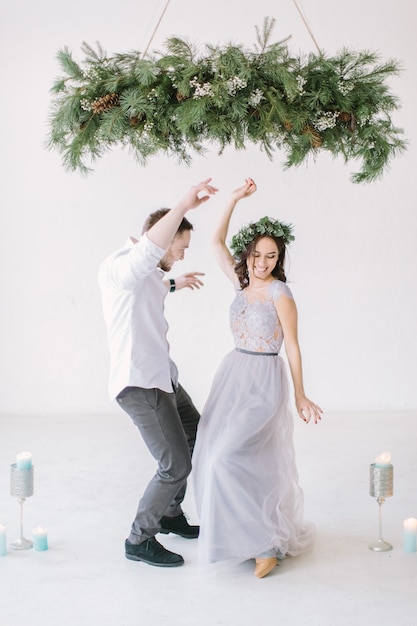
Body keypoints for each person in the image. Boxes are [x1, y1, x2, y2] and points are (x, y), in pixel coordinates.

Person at [193, 178, 322, 578]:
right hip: (233, 376)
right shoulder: (241, 282)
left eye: (271, 256)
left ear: (278, 259)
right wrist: (231, 199)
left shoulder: (281, 294)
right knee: (208, 457)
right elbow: (214, 243)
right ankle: (237, 537)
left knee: (228, 455)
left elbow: (294, 347)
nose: (262, 263)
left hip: (264, 379)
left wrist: (301, 395)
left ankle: (266, 544)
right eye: (256, 255)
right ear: (247, 255)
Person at [98, 178, 218, 568]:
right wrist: (182, 204)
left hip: (164, 378)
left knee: (197, 431)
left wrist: (174, 283)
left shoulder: (150, 275)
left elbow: (154, 281)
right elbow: (143, 262)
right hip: (140, 384)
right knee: (175, 464)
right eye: (180, 248)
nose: (182, 255)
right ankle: (139, 538)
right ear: (161, 242)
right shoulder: (121, 267)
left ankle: (170, 513)